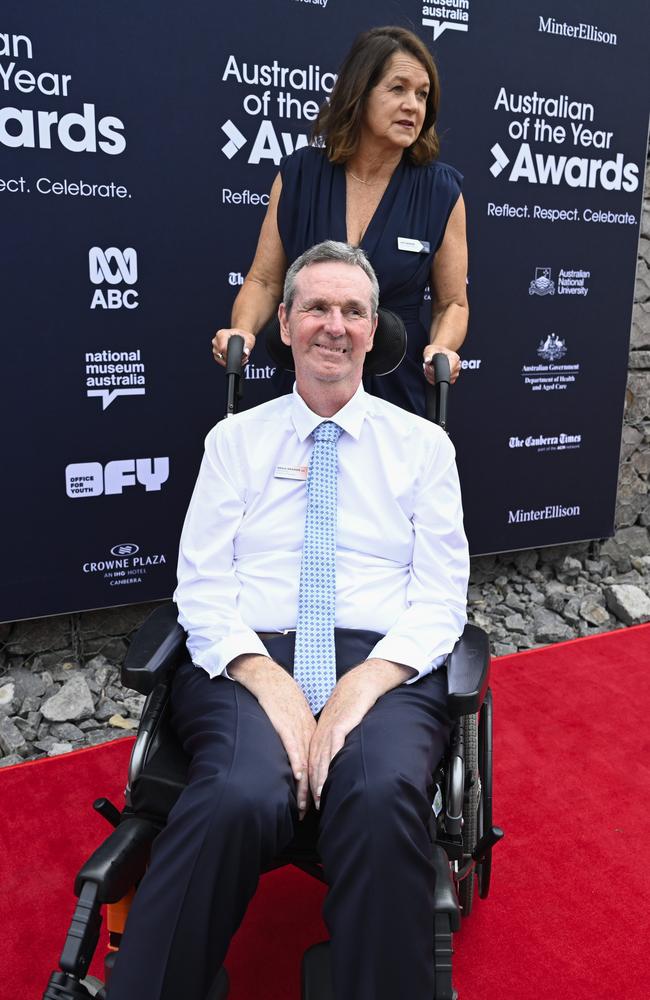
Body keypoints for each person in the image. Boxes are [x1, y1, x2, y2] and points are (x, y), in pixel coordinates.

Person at [107, 242, 469, 1000]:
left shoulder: (424, 449)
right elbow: (201, 586)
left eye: (352, 311)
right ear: (284, 321)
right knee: (239, 792)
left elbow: (441, 598)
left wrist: (362, 684)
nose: (333, 326)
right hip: (249, 655)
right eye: (316, 307)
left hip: (385, 661)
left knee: (376, 794)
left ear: (375, 330)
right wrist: (267, 681)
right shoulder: (234, 442)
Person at [212, 25, 469, 416]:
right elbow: (264, 281)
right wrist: (243, 332)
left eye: (422, 94)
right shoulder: (299, 175)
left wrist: (443, 347)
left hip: (396, 388)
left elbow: (452, 303)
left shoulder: (442, 191)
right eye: (397, 89)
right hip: (308, 380)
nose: (413, 106)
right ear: (359, 93)